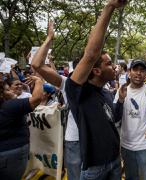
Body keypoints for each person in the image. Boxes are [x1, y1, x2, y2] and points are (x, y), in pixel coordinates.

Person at [65, 1, 127, 179]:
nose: (114, 67)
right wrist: (110, 7)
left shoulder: (106, 92)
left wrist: (120, 100)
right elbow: (91, 54)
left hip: (114, 161)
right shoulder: (77, 91)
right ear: (96, 70)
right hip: (94, 169)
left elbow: (113, 119)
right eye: (109, 63)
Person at [31, 20, 82, 180]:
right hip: (75, 141)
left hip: (96, 140)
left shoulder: (101, 86)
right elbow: (37, 64)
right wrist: (49, 38)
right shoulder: (68, 84)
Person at [114, 59, 146, 180]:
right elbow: (115, 118)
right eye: (135, 69)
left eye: (142, 70)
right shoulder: (122, 91)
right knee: (131, 177)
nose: (138, 73)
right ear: (129, 72)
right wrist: (120, 100)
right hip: (126, 145)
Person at [0, 76, 44, 179]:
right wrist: (38, 81)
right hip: (11, 155)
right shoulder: (9, 106)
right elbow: (37, 99)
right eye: (6, 90)